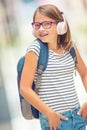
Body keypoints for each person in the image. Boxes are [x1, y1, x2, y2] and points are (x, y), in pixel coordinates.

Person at [20, 4, 87, 130]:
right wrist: (49, 113)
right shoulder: (34, 50)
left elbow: (85, 73)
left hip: (78, 116)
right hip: (55, 120)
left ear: (60, 25)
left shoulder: (70, 47)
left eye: (47, 24)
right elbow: (25, 88)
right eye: (37, 25)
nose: (41, 29)